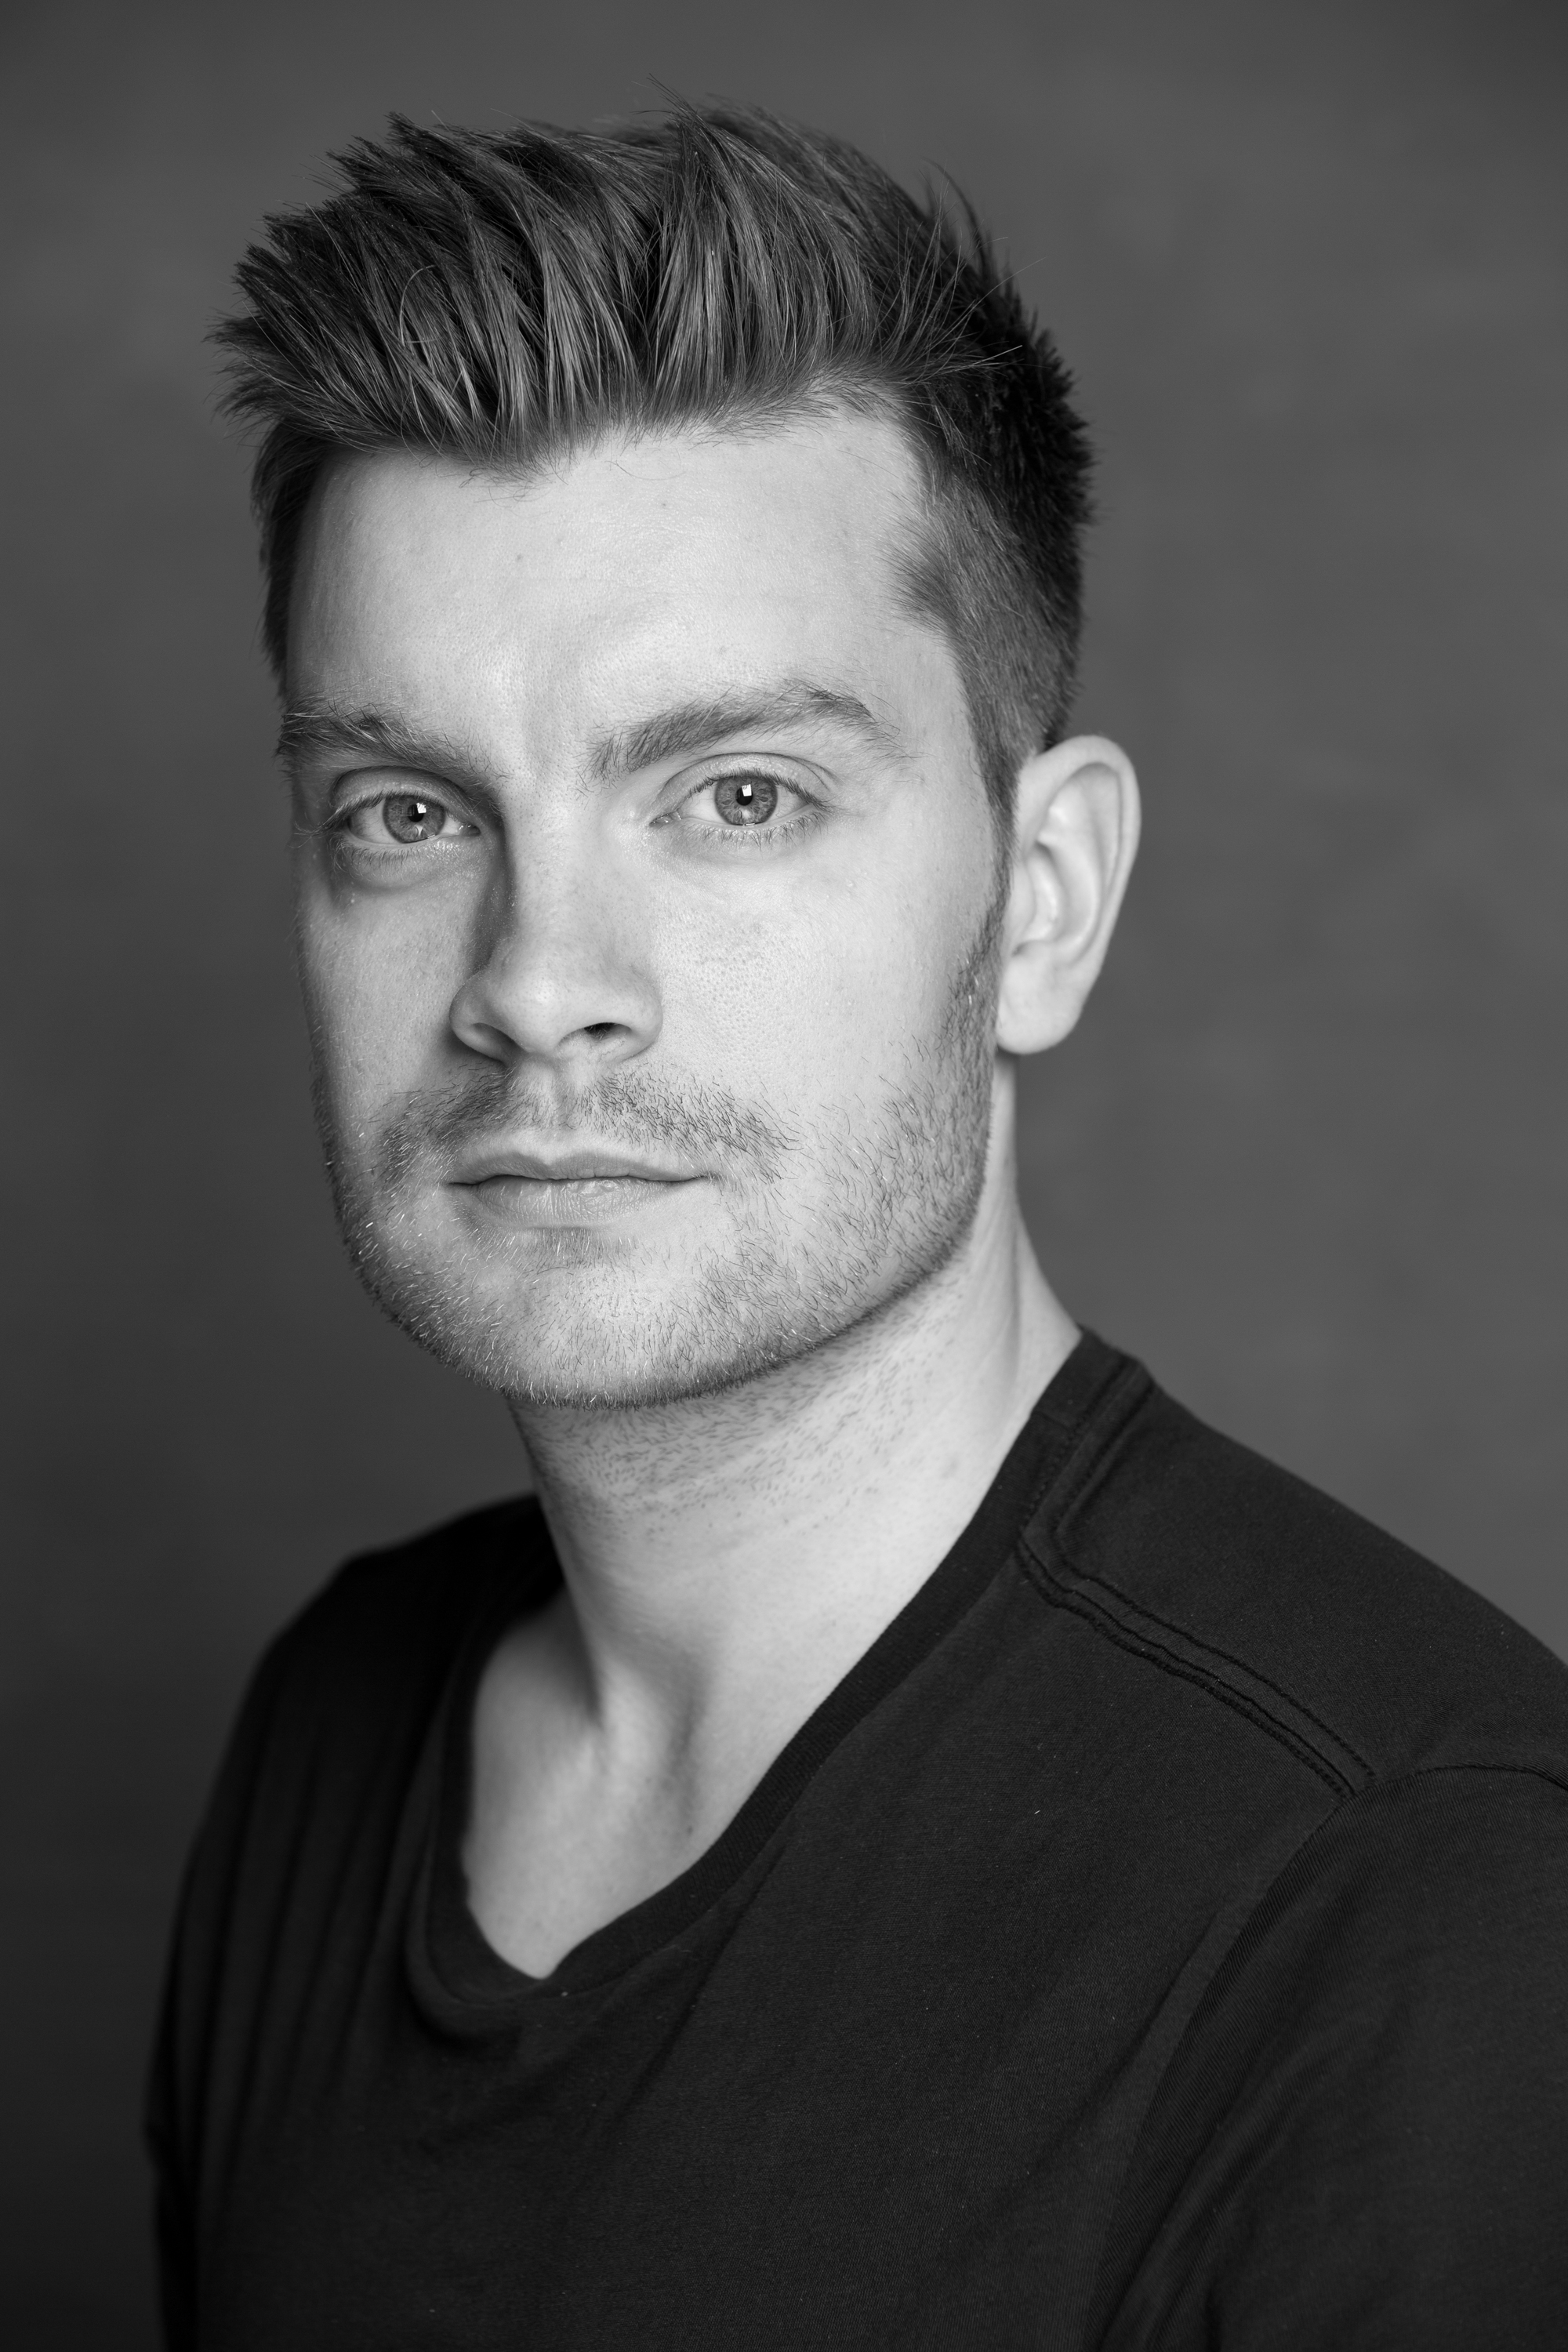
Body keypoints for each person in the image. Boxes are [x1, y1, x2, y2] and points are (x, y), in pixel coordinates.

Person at [147, 103, 1568, 2350]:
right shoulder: (337, 1724)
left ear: (1043, 904)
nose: (537, 984)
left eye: (738, 796)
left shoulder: (1422, 1890)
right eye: (407, 812)